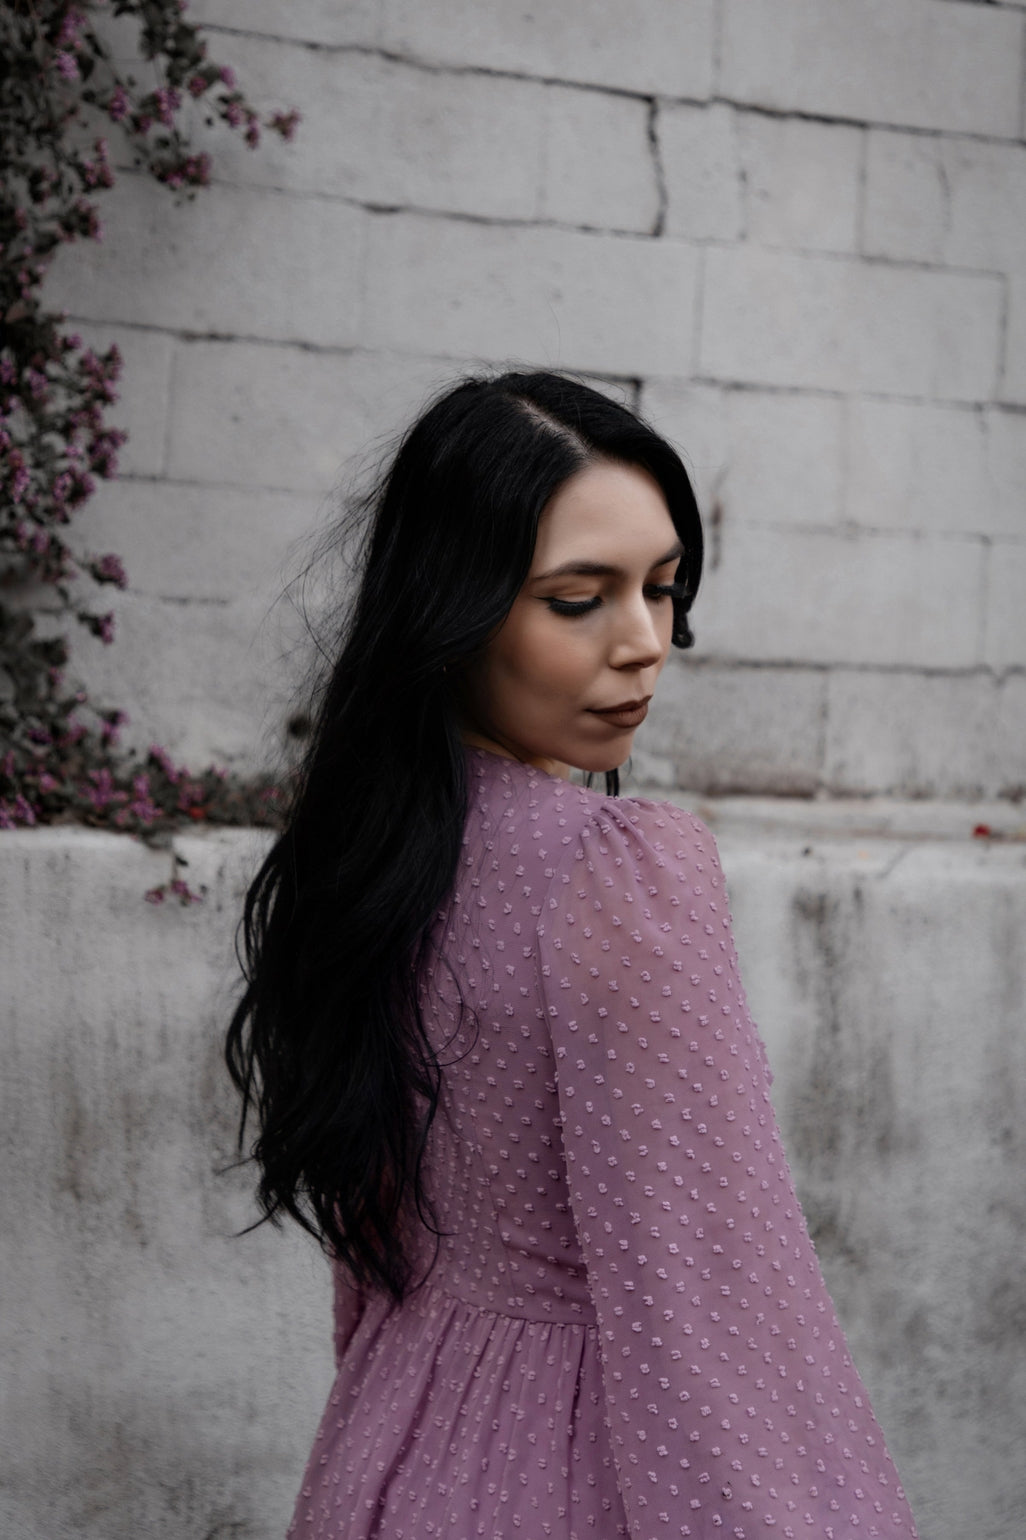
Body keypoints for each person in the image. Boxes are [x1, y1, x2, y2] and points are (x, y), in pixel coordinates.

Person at [226, 371, 918, 1539]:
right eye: (575, 600)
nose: (644, 646)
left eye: (661, 589)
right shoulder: (619, 874)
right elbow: (707, 1309)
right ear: (452, 605)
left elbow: (370, 1266)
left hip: (385, 1455)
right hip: (582, 1473)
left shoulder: (371, 854)